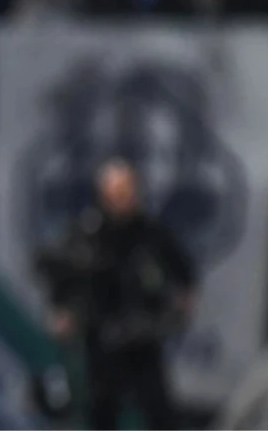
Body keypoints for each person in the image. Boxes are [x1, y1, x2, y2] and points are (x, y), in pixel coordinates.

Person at [43, 159, 196, 430]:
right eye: (115, 194)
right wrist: (62, 309)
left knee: (158, 409)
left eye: (126, 192)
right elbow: (63, 273)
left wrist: (183, 299)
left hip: (143, 335)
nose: (121, 200)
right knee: (102, 408)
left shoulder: (150, 232)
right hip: (101, 335)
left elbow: (182, 269)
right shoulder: (89, 232)